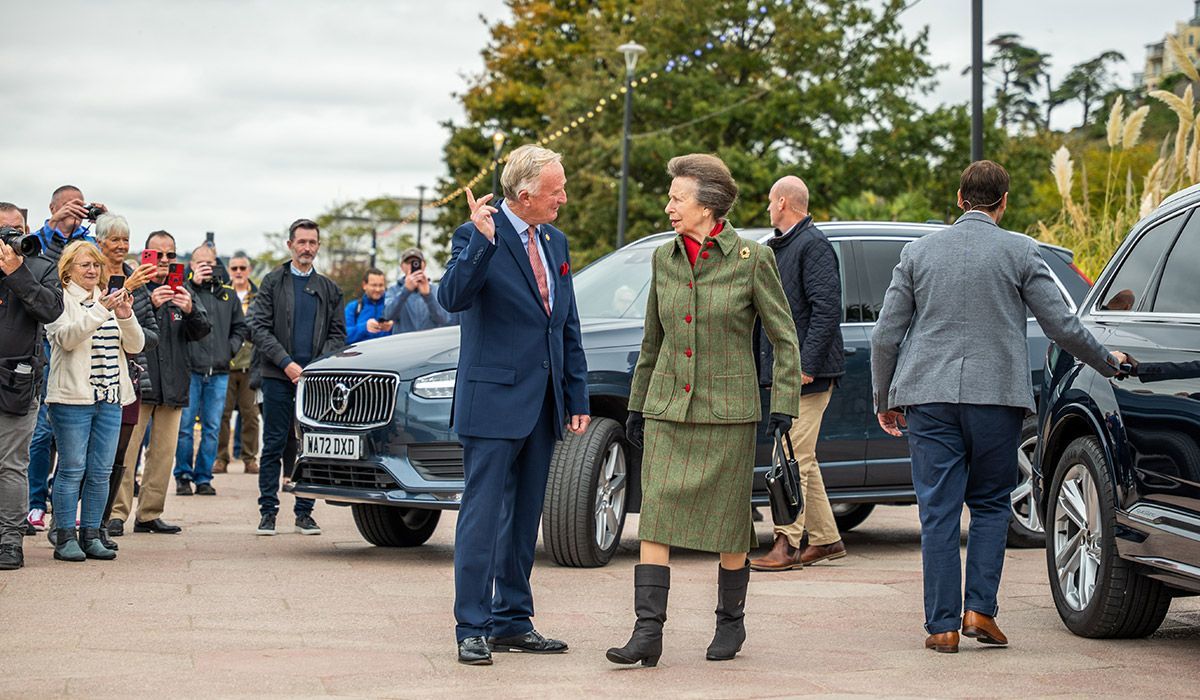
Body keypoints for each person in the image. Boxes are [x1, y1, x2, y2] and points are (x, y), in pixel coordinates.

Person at [870, 160, 1129, 654]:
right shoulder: (1020, 250)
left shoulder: (918, 252)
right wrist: (1108, 361)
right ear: (1003, 201)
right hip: (996, 399)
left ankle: (941, 627)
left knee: (939, 511)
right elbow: (1063, 326)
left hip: (928, 397)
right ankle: (980, 612)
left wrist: (886, 399)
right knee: (990, 504)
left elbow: (886, 334)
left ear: (960, 197)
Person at [609, 154, 801, 667]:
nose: (668, 205)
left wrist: (782, 403)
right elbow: (653, 340)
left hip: (728, 413)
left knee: (728, 525)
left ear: (708, 204)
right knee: (656, 519)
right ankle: (646, 634)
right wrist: (638, 405)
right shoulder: (663, 259)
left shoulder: (752, 258)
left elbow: (785, 338)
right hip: (669, 408)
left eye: (677, 197)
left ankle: (729, 624)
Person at [438, 144, 590, 666]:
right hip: (492, 402)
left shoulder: (555, 240)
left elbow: (564, 324)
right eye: (556, 191)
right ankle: (472, 627)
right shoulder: (476, 233)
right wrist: (479, 244)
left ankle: (512, 621)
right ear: (524, 195)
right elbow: (452, 297)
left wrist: (576, 394)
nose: (563, 199)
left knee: (525, 519)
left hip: (544, 404)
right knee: (481, 517)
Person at [750, 176, 847, 572]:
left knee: (791, 457)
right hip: (787, 370)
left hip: (808, 373)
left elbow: (826, 310)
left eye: (771, 201)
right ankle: (826, 540)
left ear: (784, 201)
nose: (768, 208)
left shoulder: (813, 245)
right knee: (802, 456)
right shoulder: (779, 247)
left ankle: (786, 543)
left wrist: (805, 365)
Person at [45, 241, 144, 561]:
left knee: (101, 471)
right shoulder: (59, 299)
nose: (92, 271)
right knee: (72, 468)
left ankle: (91, 534)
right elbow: (67, 338)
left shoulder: (110, 300)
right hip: (72, 399)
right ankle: (64, 537)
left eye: (96, 265)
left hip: (111, 397)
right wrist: (103, 309)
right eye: (85, 265)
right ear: (68, 269)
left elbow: (136, 345)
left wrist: (126, 315)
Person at [108, 231, 211, 537]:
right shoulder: (136, 288)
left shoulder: (185, 289)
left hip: (174, 383)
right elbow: (122, 327)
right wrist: (150, 304)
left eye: (170, 255)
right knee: (127, 451)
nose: (164, 260)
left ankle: (150, 514)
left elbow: (203, 331)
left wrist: (191, 309)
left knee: (163, 454)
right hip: (139, 382)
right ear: (145, 257)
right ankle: (116, 514)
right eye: (158, 254)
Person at [249, 219, 345, 536]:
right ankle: (268, 512)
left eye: (312, 243)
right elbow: (258, 328)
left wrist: (315, 367)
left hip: (315, 382)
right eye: (301, 242)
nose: (307, 248)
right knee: (274, 444)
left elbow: (337, 335)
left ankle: (304, 512)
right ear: (290, 244)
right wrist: (287, 363)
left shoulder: (329, 289)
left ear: (318, 246)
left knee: (310, 447)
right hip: (277, 375)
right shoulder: (272, 282)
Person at [27, 185, 106, 532]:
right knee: (42, 434)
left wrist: (101, 222)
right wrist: (53, 222)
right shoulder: (39, 239)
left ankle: (69, 513)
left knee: (76, 450)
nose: (73, 215)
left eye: (79, 208)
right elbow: (24, 256)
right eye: (67, 209)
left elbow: (100, 266)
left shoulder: (88, 239)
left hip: (85, 360)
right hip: (48, 349)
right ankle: (35, 503)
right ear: (53, 207)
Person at [0, 202, 63, 570]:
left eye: (17, 228)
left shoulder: (41, 265)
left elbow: (53, 310)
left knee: (11, 465)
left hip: (18, 381)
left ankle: (10, 541)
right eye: (4, 229)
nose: (11, 235)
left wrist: (18, 272)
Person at [95, 214, 160, 552]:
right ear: (99, 241)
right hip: (89, 377)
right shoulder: (88, 271)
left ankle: (101, 524)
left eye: (125, 240)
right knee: (84, 456)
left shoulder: (139, 283)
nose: (121, 246)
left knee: (118, 455)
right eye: (114, 240)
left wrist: (126, 333)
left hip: (127, 378)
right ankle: (74, 523)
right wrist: (126, 290)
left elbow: (151, 334)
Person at [174, 245, 248, 496]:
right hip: (191, 369)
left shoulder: (227, 294)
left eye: (211, 262)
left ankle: (204, 477)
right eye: (200, 262)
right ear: (192, 265)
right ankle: (183, 475)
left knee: (212, 427)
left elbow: (241, 328)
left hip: (219, 370)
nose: (206, 267)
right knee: (184, 427)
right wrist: (193, 283)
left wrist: (229, 350)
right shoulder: (184, 291)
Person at [215, 252, 259, 475]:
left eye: (243, 268)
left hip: (250, 366)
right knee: (221, 414)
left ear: (249, 270)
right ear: (229, 271)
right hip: (226, 364)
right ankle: (221, 458)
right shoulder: (222, 294)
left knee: (250, 414)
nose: (239, 272)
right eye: (235, 268)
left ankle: (250, 458)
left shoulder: (259, 297)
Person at [383, 248, 454, 333]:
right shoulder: (393, 290)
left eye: (416, 262)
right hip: (403, 343)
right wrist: (406, 290)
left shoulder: (435, 289)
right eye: (408, 262)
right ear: (402, 266)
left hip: (429, 343)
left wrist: (428, 296)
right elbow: (387, 315)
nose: (412, 265)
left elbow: (444, 319)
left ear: (424, 264)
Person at [345, 267, 393, 343]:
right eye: (374, 285)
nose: (378, 289)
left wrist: (393, 327)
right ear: (364, 285)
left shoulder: (392, 306)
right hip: (362, 354)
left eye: (381, 285)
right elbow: (343, 336)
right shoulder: (353, 308)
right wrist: (364, 328)